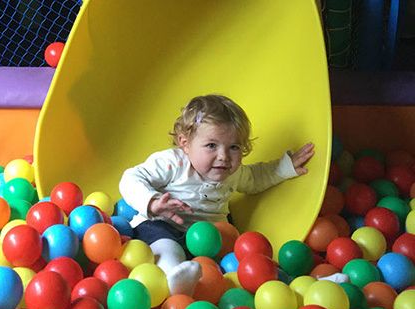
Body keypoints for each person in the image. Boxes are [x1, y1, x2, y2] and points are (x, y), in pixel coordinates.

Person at [119, 94, 315, 295]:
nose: (224, 156)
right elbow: (131, 178)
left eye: (234, 147)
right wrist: (152, 202)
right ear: (185, 143)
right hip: (162, 225)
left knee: (249, 262)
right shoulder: (173, 163)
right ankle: (173, 279)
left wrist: (285, 167)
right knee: (167, 248)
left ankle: (301, 286)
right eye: (211, 145)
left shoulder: (233, 173)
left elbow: (256, 178)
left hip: (210, 240)